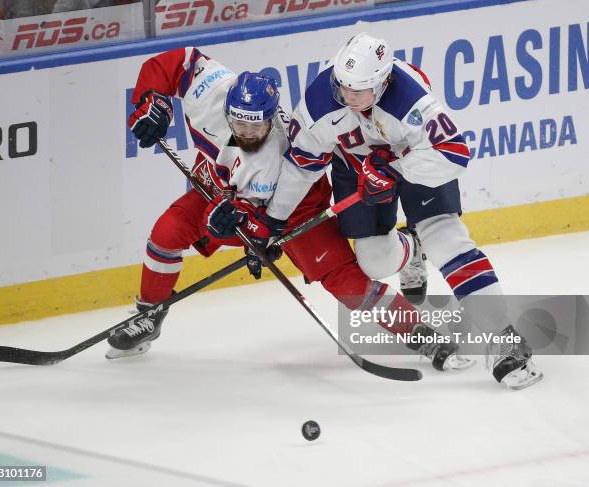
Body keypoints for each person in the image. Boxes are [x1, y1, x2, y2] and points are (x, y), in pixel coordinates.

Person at [108, 46, 472, 372]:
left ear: (271, 119)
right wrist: (150, 98)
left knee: (346, 282)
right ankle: (149, 313)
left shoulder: (269, 157)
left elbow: (263, 221)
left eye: (257, 126)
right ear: (225, 109)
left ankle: (421, 333)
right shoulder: (212, 92)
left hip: (295, 207)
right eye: (238, 124)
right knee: (167, 231)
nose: (248, 134)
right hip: (224, 194)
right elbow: (180, 61)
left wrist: (242, 229)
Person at [263, 32, 542, 390]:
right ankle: (411, 248)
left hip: (417, 161)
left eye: (359, 90)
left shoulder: (411, 99)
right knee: (376, 262)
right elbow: (301, 164)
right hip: (356, 168)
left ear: (382, 84)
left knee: (445, 240)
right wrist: (273, 220)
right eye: (343, 86)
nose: (347, 97)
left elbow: (454, 153)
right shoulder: (320, 100)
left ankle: (506, 341)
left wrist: (396, 169)